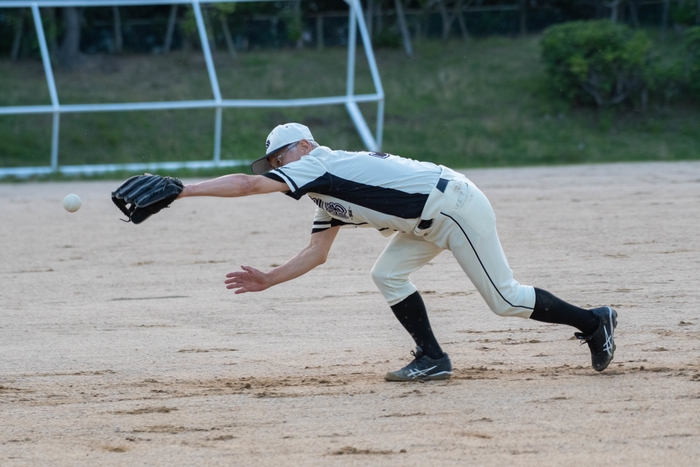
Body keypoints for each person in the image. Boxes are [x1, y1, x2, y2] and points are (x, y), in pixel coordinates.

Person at [177, 122, 617, 381]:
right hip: (428, 218)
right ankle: (432, 358)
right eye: (273, 162)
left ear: (306, 146)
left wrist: (183, 190)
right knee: (386, 273)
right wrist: (269, 279)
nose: (277, 167)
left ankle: (594, 321)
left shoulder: (321, 163)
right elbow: (317, 252)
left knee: (505, 300)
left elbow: (249, 184)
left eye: (281, 157)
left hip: (454, 206)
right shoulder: (325, 195)